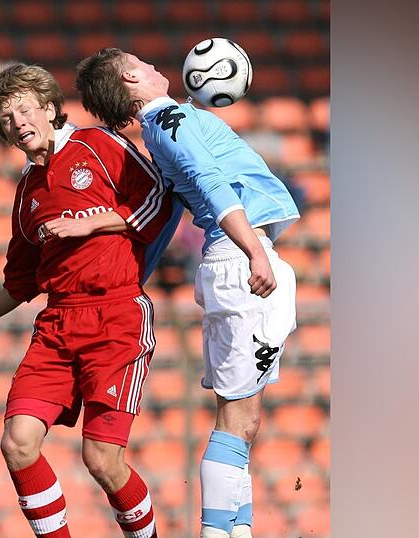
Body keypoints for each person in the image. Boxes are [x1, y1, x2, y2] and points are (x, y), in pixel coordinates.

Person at [75, 48, 301, 538]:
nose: (159, 68)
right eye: (145, 64)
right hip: (240, 259)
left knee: (244, 421)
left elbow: (169, 212)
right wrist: (255, 255)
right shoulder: (171, 119)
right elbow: (209, 180)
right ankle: (217, 533)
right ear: (131, 76)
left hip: (234, 259)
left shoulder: (167, 128)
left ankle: (235, 532)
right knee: (235, 419)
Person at [0, 62, 176, 538]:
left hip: (116, 316)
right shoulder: (28, 190)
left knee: (102, 460)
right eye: (7, 119)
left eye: (24, 109)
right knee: (18, 443)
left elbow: (157, 199)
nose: (18, 123)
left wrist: (88, 222)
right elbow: (21, 280)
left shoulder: (97, 144)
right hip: (57, 325)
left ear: (50, 108)